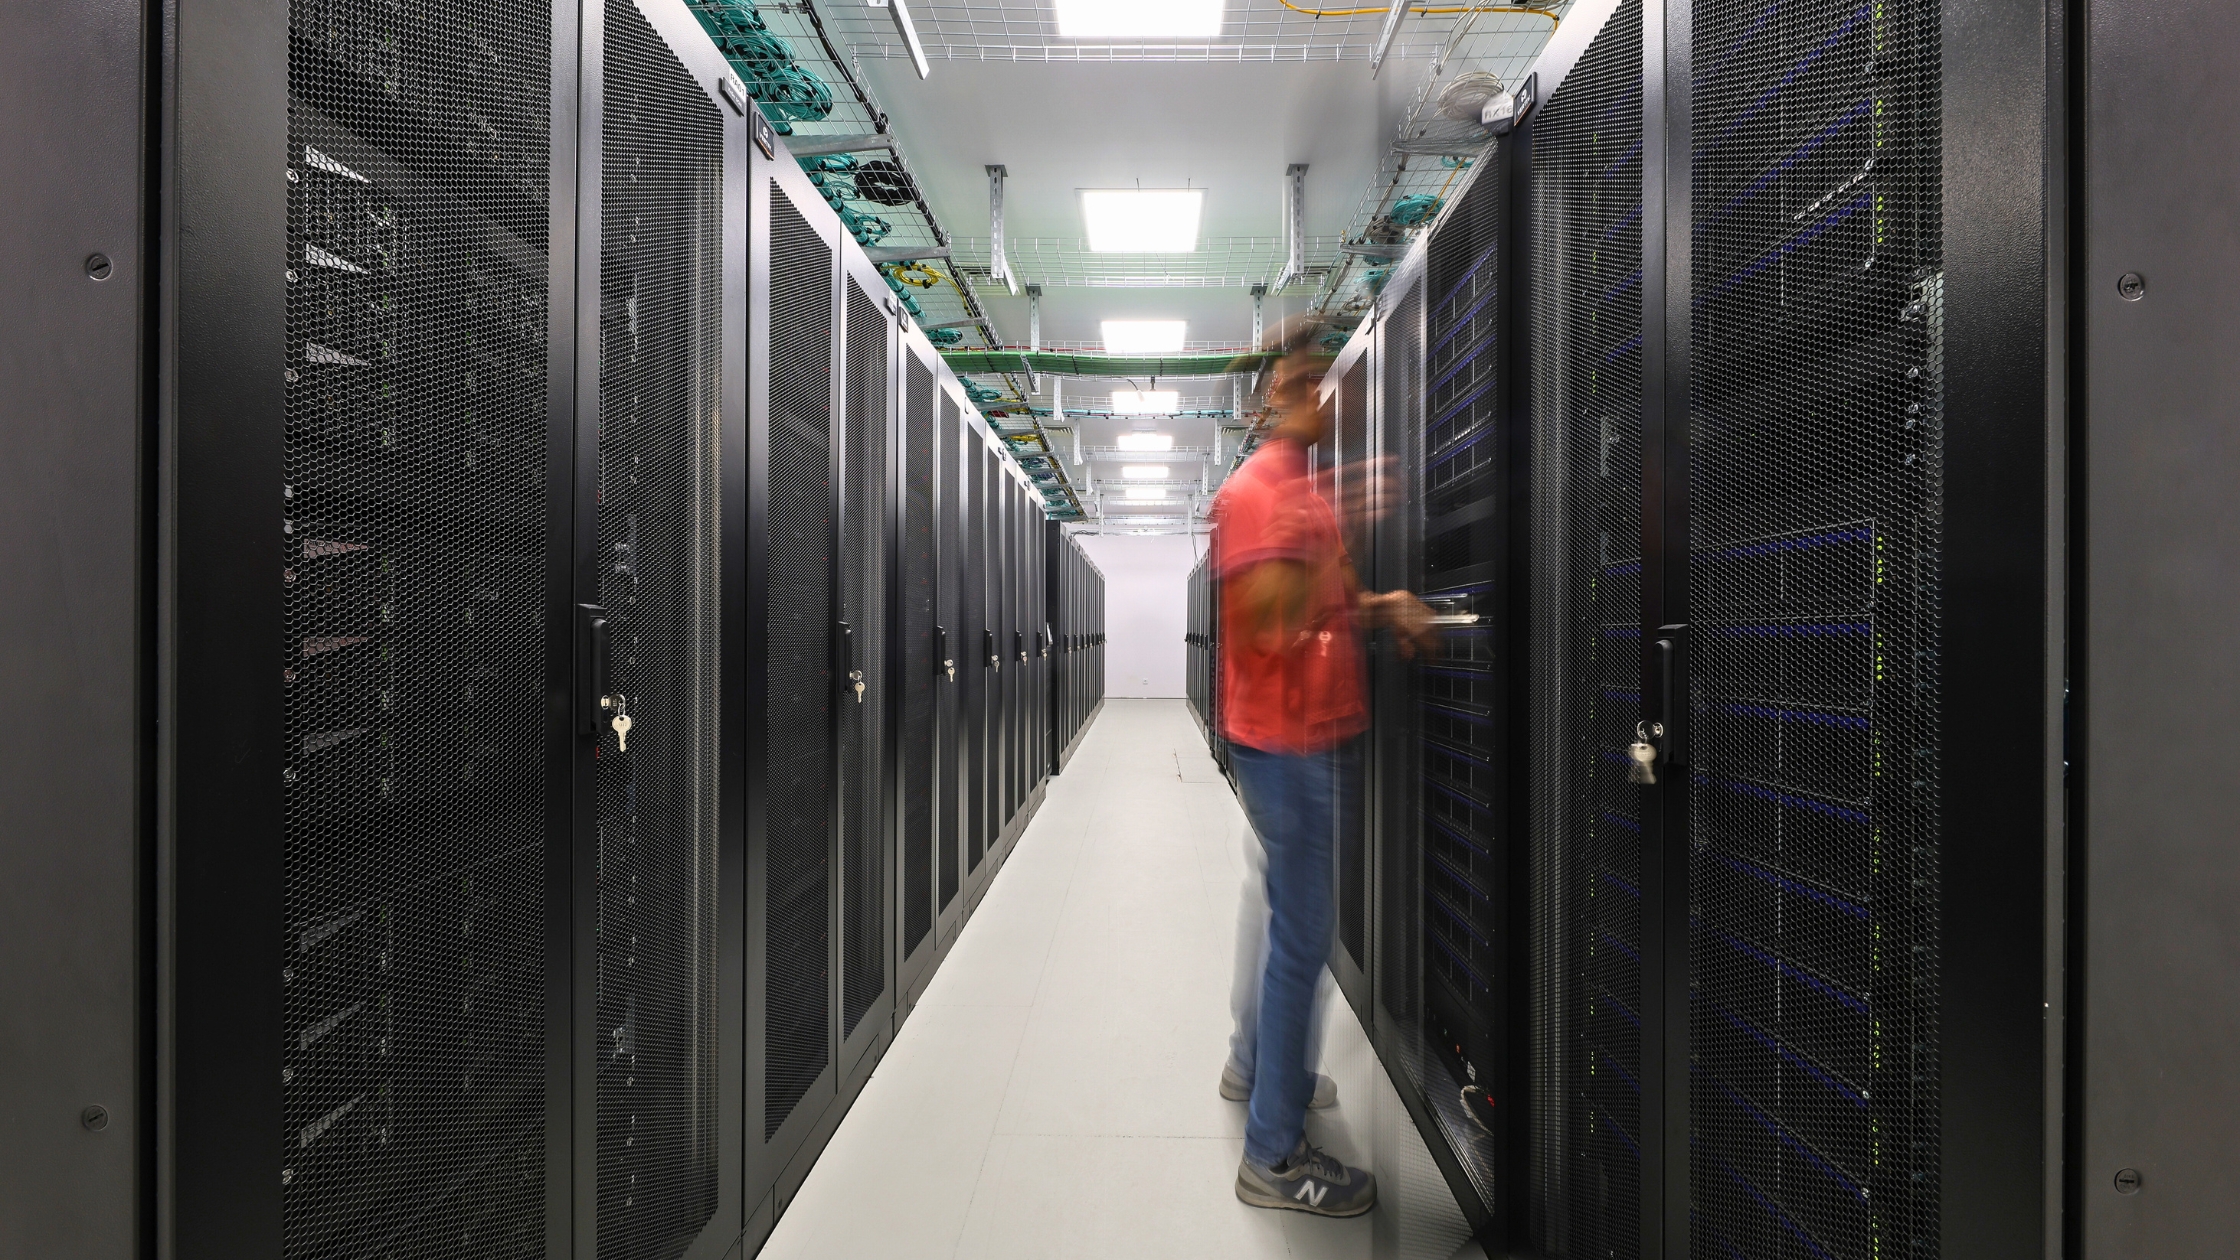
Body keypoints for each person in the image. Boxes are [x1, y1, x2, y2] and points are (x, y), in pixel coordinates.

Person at [1211, 323, 1434, 1218]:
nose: (1328, 397)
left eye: (1328, 381)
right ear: (1281, 395)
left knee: (1279, 918)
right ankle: (1273, 1155)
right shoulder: (1263, 492)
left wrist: (1388, 608)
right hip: (1286, 746)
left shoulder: (1303, 492)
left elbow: (1333, 603)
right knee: (1304, 938)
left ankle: (1256, 1069)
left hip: (1306, 738)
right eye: (1312, 382)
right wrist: (1334, 517)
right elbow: (1268, 623)